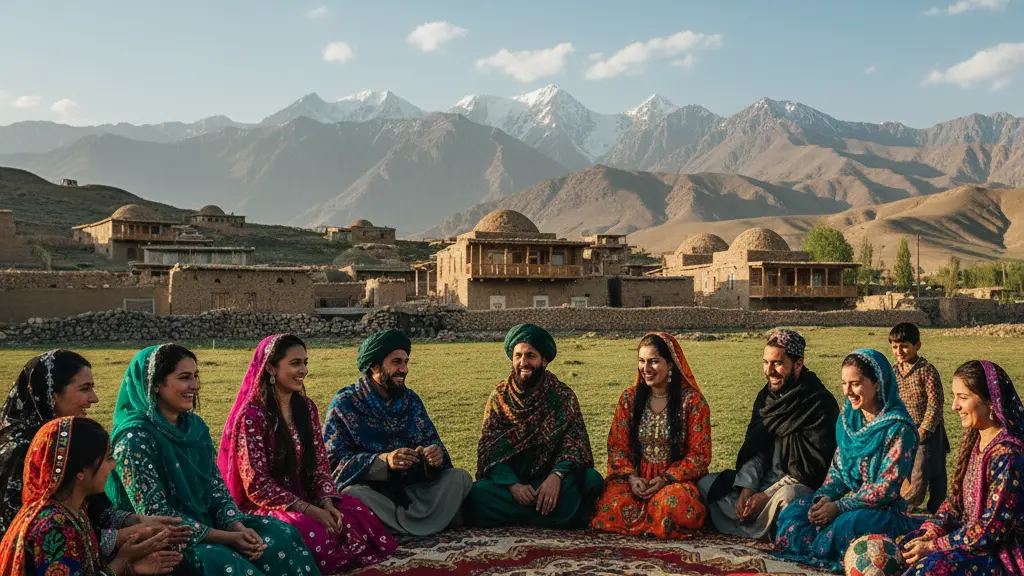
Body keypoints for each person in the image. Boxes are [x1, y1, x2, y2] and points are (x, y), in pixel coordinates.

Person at [105, 344, 321, 576]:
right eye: (184, 378)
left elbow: (217, 489)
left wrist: (237, 527)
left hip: (211, 525)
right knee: (227, 564)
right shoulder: (134, 438)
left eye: (196, 376)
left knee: (282, 536)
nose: (195, 386)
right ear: (156, 384)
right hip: (166, 541)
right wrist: (228, 538)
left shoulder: (195, 428)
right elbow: (158, 515)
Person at [218, 334, 396, 572]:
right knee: (309, 531)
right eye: (295, 363)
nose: (303, 370)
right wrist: (308, 509)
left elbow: (319, 467)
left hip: (306, 497)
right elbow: (257, 485)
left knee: (355, 514)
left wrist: (326, 502)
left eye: (305, 363)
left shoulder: (306, 408)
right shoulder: (252, 417)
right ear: (270, 367)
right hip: (268, 506)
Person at [0, 349, 189, 561]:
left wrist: (136, 521)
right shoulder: (22, 450)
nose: (94, 399)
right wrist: (117, 541)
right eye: (84, 389)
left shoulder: (71, 439)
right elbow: (33, 536)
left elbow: (96, 507)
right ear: (52, 395)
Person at [773, 348, 919, 572]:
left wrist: (839, 507)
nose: (848, 391)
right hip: (848, 504)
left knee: (846, 526)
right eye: (844, 384)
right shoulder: (848, 421)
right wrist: (822, 501)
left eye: (856, 384)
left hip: (882, 511)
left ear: (878, 383)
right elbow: (839, 471)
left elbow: (885, 489)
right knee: (794, 514)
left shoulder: (898, 428)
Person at [323, 329, 472, 537]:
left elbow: (438, 451)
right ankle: (436, 522)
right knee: (352, 495)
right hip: (377, 495)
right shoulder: (345, 403)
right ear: (374, 366)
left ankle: (397, 528)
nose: (404, 369)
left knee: (460, 478)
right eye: (396, 362)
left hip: (415, 491)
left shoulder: (411, 400)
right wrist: (384, 461)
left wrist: (433, 456)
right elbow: (332, 466)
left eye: (406, 362)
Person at [699, 329, 840, 541]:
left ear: (798, 364)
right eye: (766, 362)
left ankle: (768, 527)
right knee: (706, 484)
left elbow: (811, 471)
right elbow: (756, 449)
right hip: (761, 484)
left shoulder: (819, 403)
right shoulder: (766, 398)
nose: (769, 370)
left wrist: (765, 496)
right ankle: (762, 527)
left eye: (777, 363)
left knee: (790, 498)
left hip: (790, 487)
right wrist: (747, 489)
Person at [0, 416, 183, 575]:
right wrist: (122, 563)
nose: (113, 466)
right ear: (81, 472)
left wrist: (131, 567)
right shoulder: (53, 526)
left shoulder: (74, 510)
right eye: (108, 458)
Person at [464, 323, 604, 528]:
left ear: (544, 360)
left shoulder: (562, 395)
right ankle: (555, 517)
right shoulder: (499, 397)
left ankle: (524, 515)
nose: (523, 362)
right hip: (512, 485)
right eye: (518, 356)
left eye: (530, 356)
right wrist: (513, 485)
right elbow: (489, 450)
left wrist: (556, 476)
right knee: (478, 494)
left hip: (551, 483)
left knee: (592, 480)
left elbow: (574, 444)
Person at [899, 360, 1024, 575]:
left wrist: (934, 546)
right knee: (906, 547)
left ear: (991, 402)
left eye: (963, 398)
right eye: (954, 396)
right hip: (969, 538)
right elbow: (956, 502)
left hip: (997, 552)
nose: (954, 406)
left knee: (932, 566)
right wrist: (932, 531)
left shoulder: (1008, 455)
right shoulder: (975, 441)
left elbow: (991, 530)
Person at [589, 332, 711, 538]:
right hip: (636, 480)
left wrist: (667, 478)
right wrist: (631, 477)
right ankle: (652, 527)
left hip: (675, 482)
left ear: (671, 364)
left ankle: (655, 523)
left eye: (654, 362)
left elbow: (700, 455)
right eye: (641, 361)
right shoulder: (629, 398)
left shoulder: (692, 402)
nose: (646, 369)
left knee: (670, 504)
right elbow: (616, 445)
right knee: (612, 503)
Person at [889, 322, 948, 514]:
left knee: (926, 472)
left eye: (905, 345)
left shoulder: (926, 370)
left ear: (917, 346)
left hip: (929, 431)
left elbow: (935, 403)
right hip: (905, 430)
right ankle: (905, 507)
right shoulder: (893, 372)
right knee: (906, 469)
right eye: (895, 346)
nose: (900, 351)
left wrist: (924, 429)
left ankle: (931, 509)